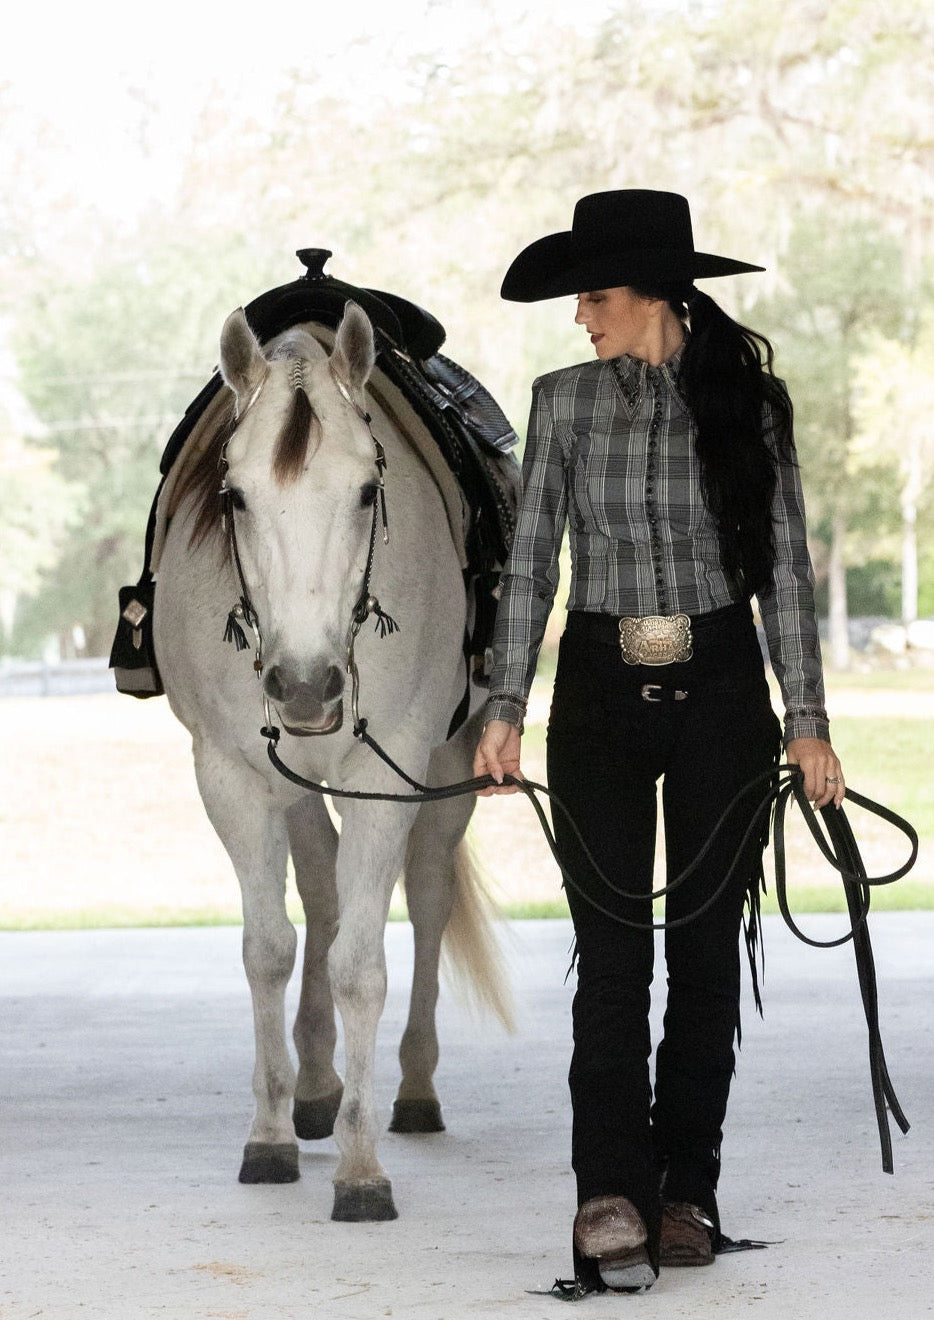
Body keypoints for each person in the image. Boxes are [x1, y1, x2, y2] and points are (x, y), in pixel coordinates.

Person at [473, 190, 844, 1294]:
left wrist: (808, 723)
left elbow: (782, 570)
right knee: (611, 951)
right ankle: (608, 1193)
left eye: (592, 297)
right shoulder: (562, 404)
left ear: (655, 298)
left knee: (702, 948)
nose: (579, 318)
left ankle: (687, 1189)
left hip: (725, 689)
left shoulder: (748, 405)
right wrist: (504, 704)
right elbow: (532, 560)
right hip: (595, 689)